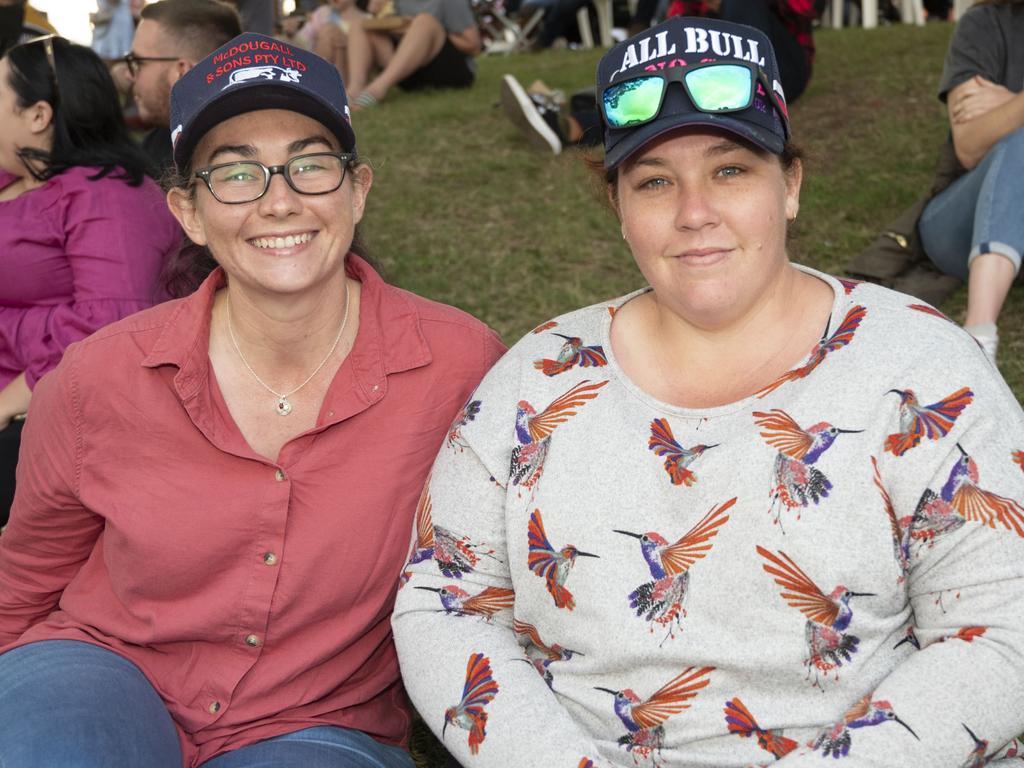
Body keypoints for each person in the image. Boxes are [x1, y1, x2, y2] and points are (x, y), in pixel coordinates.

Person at [395, 15, 1024, 767]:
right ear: (618, 208)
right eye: (656, 182)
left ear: (790, 185)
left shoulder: (923, 367)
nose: (695, 213)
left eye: (731, 171)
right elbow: (445, 602)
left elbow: (1003, 630)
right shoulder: (539, 378)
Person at [0, 31, 504, 768]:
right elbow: (29, 571)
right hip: (102, 669)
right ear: (189, 212)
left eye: (309, 165)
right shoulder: (96, 378)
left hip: (316, 717)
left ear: (357, 190)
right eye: (236, 175)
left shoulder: (459, 365)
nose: (279, 201)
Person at [0, 37, 180, 526]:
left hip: (56, 409)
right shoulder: (13, 179)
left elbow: (109, 324)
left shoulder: (106, 194)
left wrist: (4, 407)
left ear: (37, 114)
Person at [917, 0, 1023, 361]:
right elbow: (970, 145)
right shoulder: (986, 23)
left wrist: (1009, 105)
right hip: (960, 221)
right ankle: (979, 337)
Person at [123, 0, 241, 174]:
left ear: (182, 71)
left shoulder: (239, 155)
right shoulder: (157, 143)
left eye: (138, 62)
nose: (128, 74)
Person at [345, 0, 481, 108]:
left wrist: (428, 32)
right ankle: (354, 89)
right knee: (360, 25)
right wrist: (382, 17)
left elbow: (473, 45)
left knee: (425, 21)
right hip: (409, 72)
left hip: (450, 71)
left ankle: (375, 91)